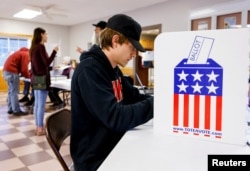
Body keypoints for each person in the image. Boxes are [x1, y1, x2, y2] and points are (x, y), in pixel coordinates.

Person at [70, 14, 154, 171]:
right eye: (132, 48)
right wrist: (156, 104)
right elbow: (116, 117)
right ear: (115, 41)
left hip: (112, 142)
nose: (135, 54)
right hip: (94, 158)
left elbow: (132, 97)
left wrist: (159, 99)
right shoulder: (90, 70)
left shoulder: (113, 68)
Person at [30, 27, 59, 136]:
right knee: (41, 105)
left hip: (36, 78)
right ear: (41, 35)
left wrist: (51, 69)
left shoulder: (33, 47)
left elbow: (40, 65)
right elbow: (47, 62)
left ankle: (38, 127)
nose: (47, 36)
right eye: (46, 34)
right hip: (42, 78)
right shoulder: (41, 47)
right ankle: (41, 129)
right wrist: (54, 52)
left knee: (37, 105)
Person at [3, 47, 30, 116]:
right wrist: (29, 76)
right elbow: (24, 69)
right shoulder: (26, 54)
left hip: (6, 71)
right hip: (12, 72)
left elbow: (21, 67)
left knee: (11, 91)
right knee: (14, 92)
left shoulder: (19, 53)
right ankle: (16, 110)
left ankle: (10, 109)